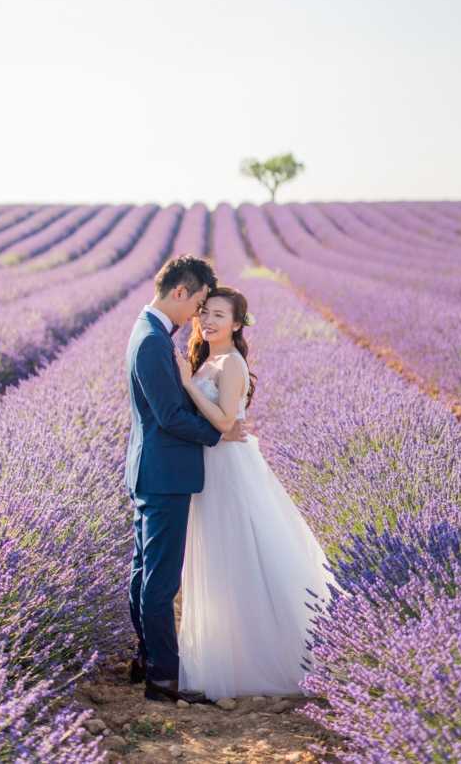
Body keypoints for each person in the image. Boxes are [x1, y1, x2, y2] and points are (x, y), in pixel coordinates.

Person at [173, 285, 341, 701]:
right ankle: (225, 653)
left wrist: (188, 387)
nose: (208, 321)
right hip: (212, 464)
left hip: (230, 468)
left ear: (236, 323)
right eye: (205, 313)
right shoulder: (209, 359)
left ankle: (260, 658)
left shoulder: (230, 363)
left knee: (243, 553)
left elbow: (226, 420)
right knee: (221, 556)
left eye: (218, 315)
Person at [124, 256, 250, 705]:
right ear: (181, 292)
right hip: (164, 474)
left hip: (152, 469)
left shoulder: (150, 333)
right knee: (159, 581)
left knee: (144, 573)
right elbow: (170, 416)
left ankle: (148, 658)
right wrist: (219, 434)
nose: (199, 314)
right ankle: (162, 676)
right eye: (199, 302)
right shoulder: (153, 342)